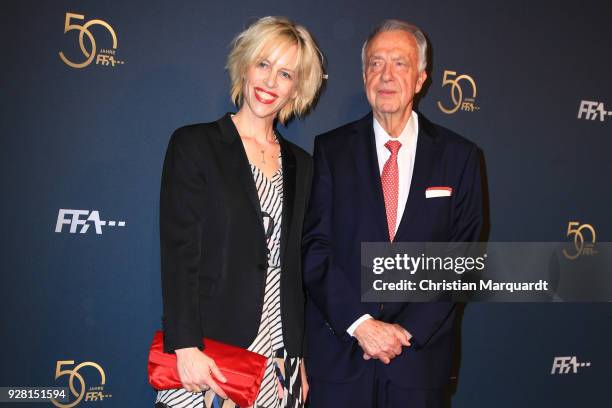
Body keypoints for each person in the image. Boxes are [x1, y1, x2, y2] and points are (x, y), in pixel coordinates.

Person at [302, 19, 483, 408]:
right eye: (375, 63)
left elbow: (462, 259)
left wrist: (404, 333)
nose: (385, 75)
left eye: (399, 63)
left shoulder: (460, 157)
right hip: (340, 359)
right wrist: (361, 324)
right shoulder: (330, 151)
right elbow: (314, 248)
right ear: (364, 74)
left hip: (418, 363)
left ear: (420, 78)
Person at [156, 16, 324, 408]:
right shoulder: (195, 145)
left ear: (296, 88)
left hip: (279, 353)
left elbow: (295, 265)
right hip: (208, 348)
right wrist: (184, 345)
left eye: (285, 74)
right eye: (263, 65)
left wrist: (298, 355)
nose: (269, 82)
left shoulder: (303, 164)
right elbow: (180, 253)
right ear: (245, 65)